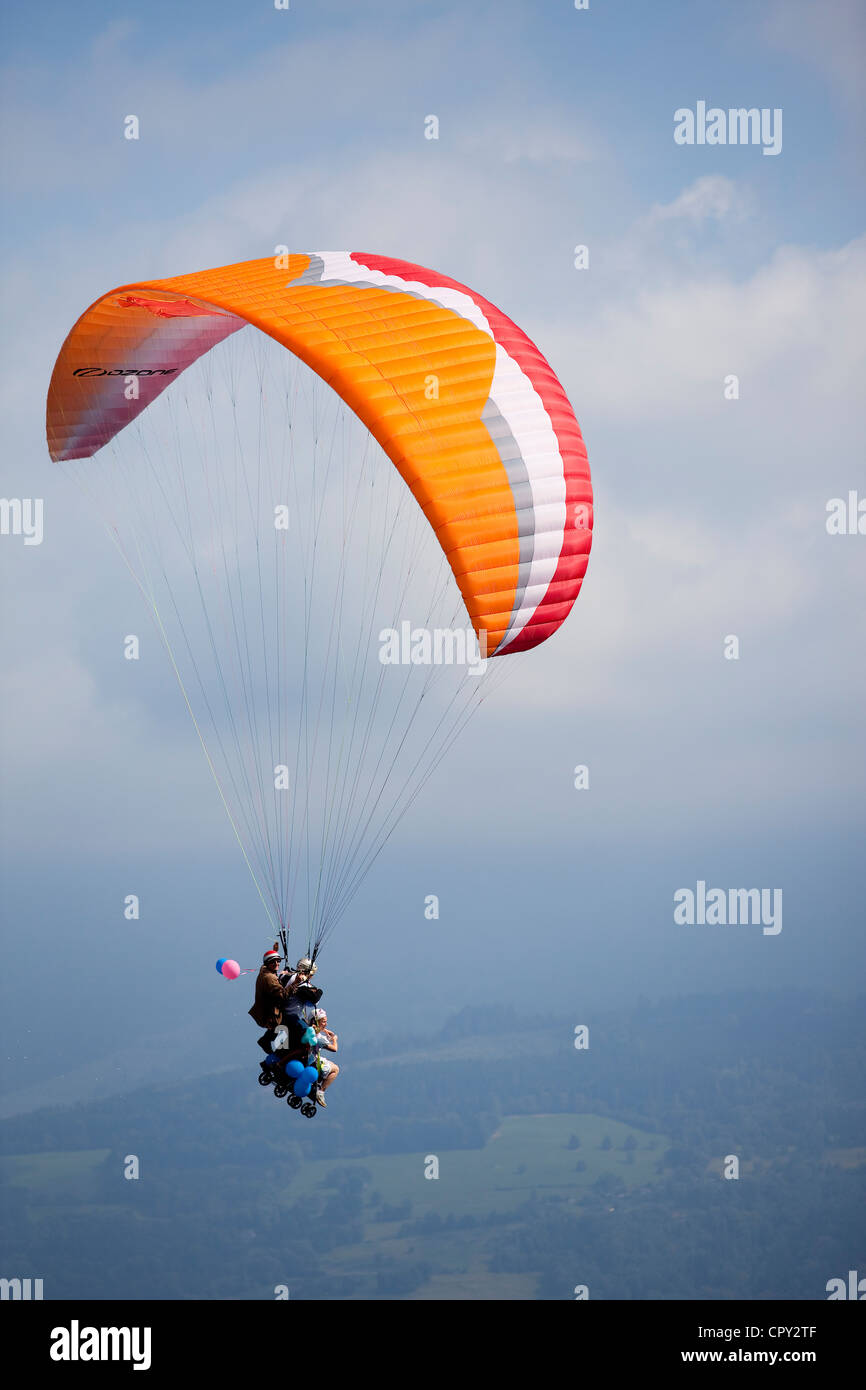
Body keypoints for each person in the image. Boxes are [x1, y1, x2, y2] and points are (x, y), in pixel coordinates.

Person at [249, 946, 289, 1055]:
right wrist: (295, 983)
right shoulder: (269, 978)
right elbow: (282, 995)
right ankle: (279, 1052)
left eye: (278, 961)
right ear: (267, 963)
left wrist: (275, 951)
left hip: (267, 1012)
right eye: (273, 961)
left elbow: (269, 966)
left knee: (283, 1027)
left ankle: (268, 1042)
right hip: (270, 1014)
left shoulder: (265, 972)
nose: (277, 963)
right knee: (284, 1028)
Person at [310, 1008, 339, 1108]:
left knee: (329, 1062)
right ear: (316, 1022)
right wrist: (334, 1039)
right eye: (323, 1022)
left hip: (306, 1060)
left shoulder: (308, 1030)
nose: (325, 1024)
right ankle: (321, 1091)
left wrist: (325, 1031)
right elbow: (334, 1049)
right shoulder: (319, 1039)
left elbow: (316, 1030)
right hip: (313, 1063)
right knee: (335, 1069)